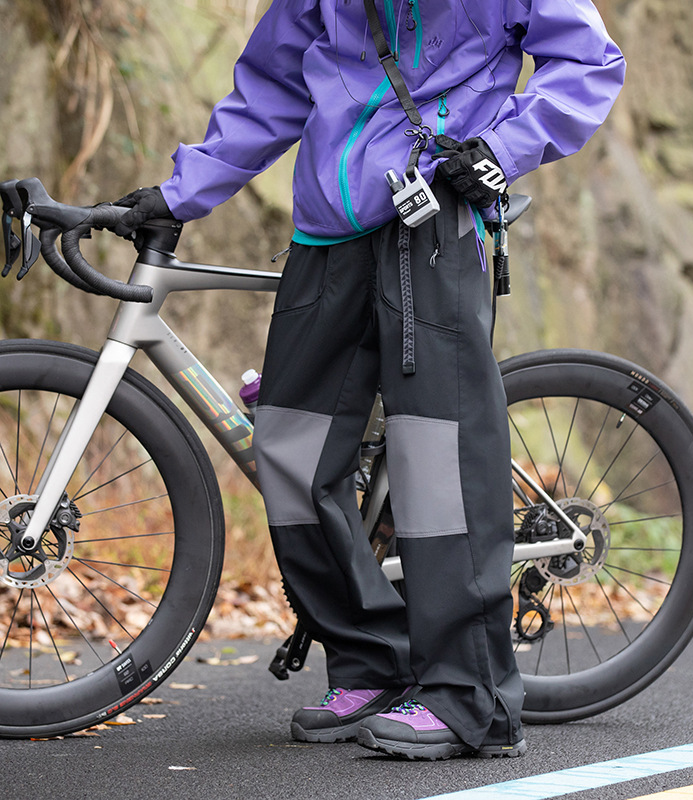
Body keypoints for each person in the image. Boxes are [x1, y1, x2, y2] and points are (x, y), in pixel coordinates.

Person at [115, 0, 625, 761]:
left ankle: (471, 698)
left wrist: (500, 148)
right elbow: (272, 85)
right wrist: (182, 192)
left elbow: (589, 63)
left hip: (435, 221)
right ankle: (373, 660)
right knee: (289, 450)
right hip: (327, 229)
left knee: (436, 464)